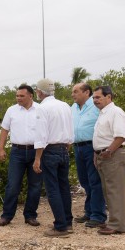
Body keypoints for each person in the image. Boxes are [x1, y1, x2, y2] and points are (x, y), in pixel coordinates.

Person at [32, 79, 74, 237]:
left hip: (50, 151)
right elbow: (71, 132)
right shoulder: (65, 105)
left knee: (52, 189)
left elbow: (41, 135)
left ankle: (60, 226)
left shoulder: (42, 108)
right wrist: (65, 148)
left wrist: (37, 158)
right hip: (64, 148)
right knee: (64, 187)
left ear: (40, 92)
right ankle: (68, 222)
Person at [0, 84, 42, 227]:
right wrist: (1, 149)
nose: (18, 98)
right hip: (17, 152)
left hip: (36, 152)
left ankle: (30, 216)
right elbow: (4, 129)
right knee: (12, 185)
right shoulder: (11, 110)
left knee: (35, 185)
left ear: (30, 96)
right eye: (17, 96)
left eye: (21, 96)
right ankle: (7, 215)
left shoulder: (41, 109)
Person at [92, 86, 125, 235]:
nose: (95, 100)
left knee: (114, 190)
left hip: (112, 155)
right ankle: (118, 221)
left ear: (109, 97)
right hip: (104, 155)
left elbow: (120, 136)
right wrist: (97, 154)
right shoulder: (103, 113)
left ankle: (116, 225)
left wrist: (108, 151)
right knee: (108, 190)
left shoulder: (116, 112)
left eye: (98, 97)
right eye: (94, 98)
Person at [71, 83, 107, 228]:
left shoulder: (96, 106)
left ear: (86, 92)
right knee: (85, 181)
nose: (73, 94)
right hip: (77, 147)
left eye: (75, 91)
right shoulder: (72, 108)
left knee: (95, 181)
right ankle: (90, 211)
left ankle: (98, 215)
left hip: (91, 147)